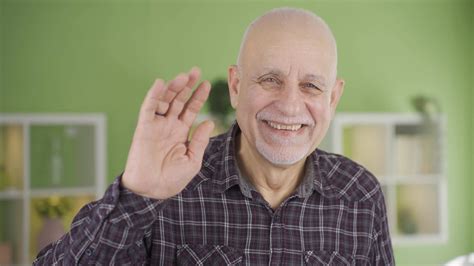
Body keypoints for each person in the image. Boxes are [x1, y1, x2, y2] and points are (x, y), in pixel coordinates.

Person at [34, 7, 394, 265]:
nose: (289, 106)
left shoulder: (361, 195)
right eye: (270, 80)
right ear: (236, 86)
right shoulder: (168, 185)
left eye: (311, 86)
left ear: (332, 98)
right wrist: (136, 195)